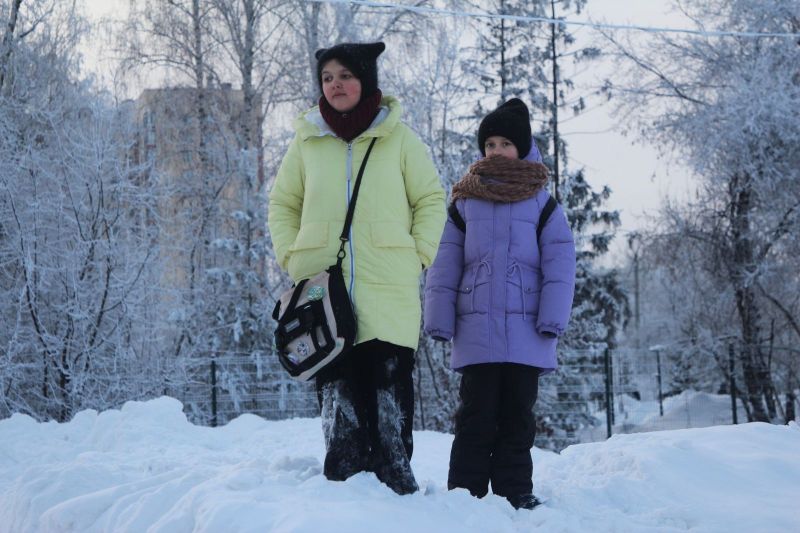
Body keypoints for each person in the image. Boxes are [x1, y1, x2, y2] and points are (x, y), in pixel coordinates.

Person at [268, 41, 446, 495]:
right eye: (327, 78)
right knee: (339, 398)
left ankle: (396, 494)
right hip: (323, 293)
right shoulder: (307, 140)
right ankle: (344, 497)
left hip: (388, 287)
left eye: (345, 75)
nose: (336, 85)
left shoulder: (399, 138)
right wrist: (292, 255)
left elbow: (430, 199)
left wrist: (419, 253)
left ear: (365, 80)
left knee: (388, 394)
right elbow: (283, 203)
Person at [423, 98, 576, 509]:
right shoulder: (465, 202)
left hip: (527, 332)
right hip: (476, 332)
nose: (495, 151)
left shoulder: (543, 204)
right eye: (489, 144)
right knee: (475, 415)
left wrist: (552, 319)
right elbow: (445, 262)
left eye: (505, 143)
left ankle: (514, 491)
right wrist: (439, 318)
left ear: (521, 148)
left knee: (517, 417)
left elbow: (560, 265)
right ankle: (465, 493)